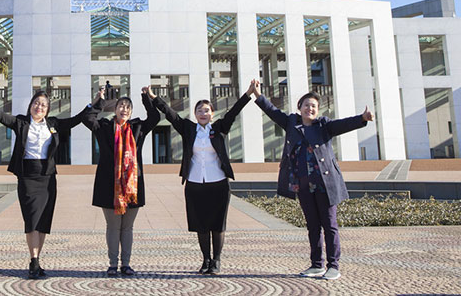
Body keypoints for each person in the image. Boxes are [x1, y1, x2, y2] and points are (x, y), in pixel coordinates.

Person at [249, 79, 373, 280]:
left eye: (314, 106)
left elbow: (343, 124)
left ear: (318, 109)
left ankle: (333, 265)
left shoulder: (324, 125)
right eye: (306, 105)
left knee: (329, 225)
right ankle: (316, 264)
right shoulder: (291, 123)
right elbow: (272, 111)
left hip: (325, 184)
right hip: (303, 185)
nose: (310, 108)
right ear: (300, 107)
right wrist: (257, 94)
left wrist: (362, 118)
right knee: (313, 225)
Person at [0, 86, 101, 279]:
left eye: (43, 105)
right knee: (32, 220)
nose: (39, 107)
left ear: (47, 109)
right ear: (31, 105)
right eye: (36, 103)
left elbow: (77, 119)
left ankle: (37, 260)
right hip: (27, 177)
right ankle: (33, 260)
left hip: (48, 177)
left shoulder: (53, 124)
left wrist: (95, 102)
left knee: (43, 221)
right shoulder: (21, 122)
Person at [147, 81, 256, 275]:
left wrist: (248, 93)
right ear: (195, 114)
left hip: (219, 184)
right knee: (201, 225)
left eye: (206, 110)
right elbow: (170, 114)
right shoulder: (189, 129)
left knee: (217, 224)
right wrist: (154, 98)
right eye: (199, 110)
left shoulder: (220, 128)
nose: (203, 113)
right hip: (195, 183)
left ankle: (217, 261)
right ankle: (205, 260)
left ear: (212, 113)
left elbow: (234, 111)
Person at [82, 86, 160, 276]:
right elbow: (87, 118)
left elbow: (155, 118)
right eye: (121, 106)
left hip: (132, 186)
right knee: (113, 226)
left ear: (131, 111)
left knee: (127, 227)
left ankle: (126, 264)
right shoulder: (105, 127)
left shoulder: (137, 127)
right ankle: (112, 264)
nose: (124, 109)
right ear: (115, 109)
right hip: (109, 185)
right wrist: (98, 100)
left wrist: (146, 97)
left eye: (127, 107)